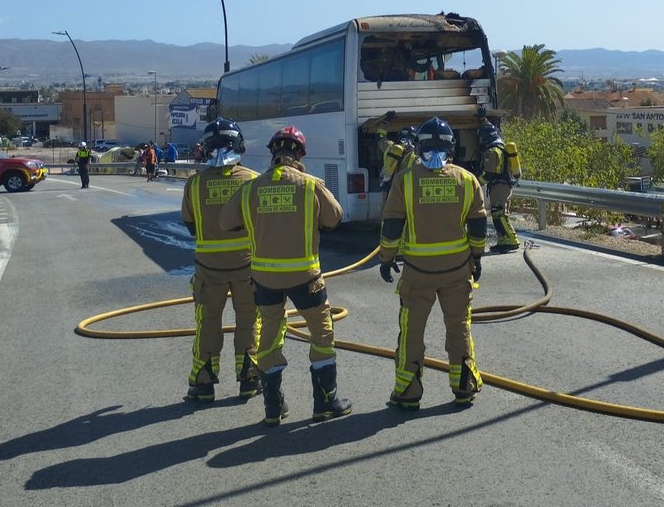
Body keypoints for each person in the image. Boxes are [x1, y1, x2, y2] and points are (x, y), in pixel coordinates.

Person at [219, 125, 352, 425]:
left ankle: (273, 407)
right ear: (300, 154)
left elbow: (226, 222)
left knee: (268, 335)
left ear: (272, 153)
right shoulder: (310, 185)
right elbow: (335, 217)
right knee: (321, 334)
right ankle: (325, 402)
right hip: (306, 277)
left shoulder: (251, 188)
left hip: (265, 279)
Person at [378, 116, 488, 409]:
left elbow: (392, 226)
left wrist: (386, 259)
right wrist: (477, 258)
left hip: (418, 274)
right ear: (452, 146)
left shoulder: (405, 181)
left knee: (412, 332)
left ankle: (407, 391)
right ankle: (464, 385)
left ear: (418, 146)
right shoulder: (467, 180)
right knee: (459, 328)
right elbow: (478, 226)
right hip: (457, 272)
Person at [180, 119, 261, 403]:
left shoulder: (194, 184)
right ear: (238, 144)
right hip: (248, 268)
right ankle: (249, 378)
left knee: (208, 323)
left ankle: (203, 383)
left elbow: (191, 225)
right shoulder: (253, 181)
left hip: (208, 270)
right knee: (249, 322)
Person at [478, 121, 520, 252]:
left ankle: (511, 239)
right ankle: (503, 240)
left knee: (499, 213)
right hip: (505, 185)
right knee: (499, 213)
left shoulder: (492, 152)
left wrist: (475, 182)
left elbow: (488, 174)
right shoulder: (502, 148)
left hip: (498, 186)